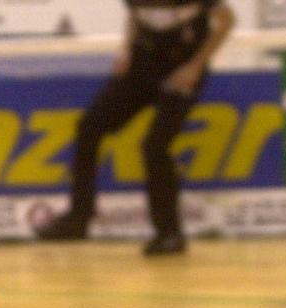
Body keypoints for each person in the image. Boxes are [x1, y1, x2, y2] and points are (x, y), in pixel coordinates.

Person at [35, 0, 235, 255]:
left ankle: (169, 232)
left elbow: (226, 20)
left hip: (182, 69)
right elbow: (136, 16)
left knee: (155, 146)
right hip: (142, 66)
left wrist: (196, 66)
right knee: (89, 127)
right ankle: (78, 217)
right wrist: (127, 49)